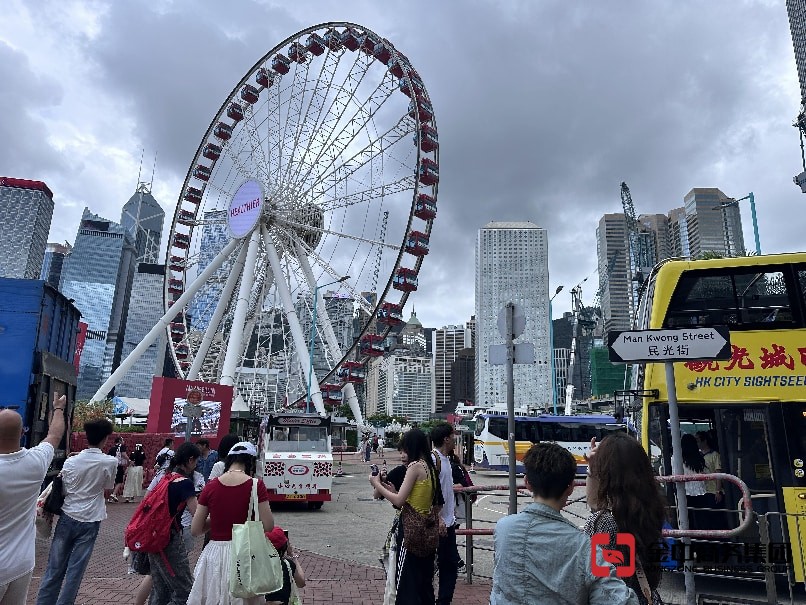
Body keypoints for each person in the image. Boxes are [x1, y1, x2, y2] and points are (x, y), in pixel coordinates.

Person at [490, 442, 638, 604]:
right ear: (571, 487)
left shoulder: (503, 529)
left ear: (527, 483)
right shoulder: (584, 547)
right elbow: (619, 600)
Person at [36, 418, 117, 605]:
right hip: (91, 520)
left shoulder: (71, 461)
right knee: (75, 571)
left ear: (87, 437)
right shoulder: (110, 462)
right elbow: (108, 490)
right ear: (105, 438)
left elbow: (63, 490)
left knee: (54, 568)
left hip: (67, 516)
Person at [584, 433, 667, 605]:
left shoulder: (605, 521)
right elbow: (597, 506)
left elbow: (596, 578)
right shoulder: (649, 509)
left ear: (606, 474)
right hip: (644, 596)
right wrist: (593, 471)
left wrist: (593, 471)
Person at [188, 441, 274, 604]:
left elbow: (195, 529)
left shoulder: (211, 486)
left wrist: (219, 519)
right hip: (245, 554)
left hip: (215, 554)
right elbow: (268, 525)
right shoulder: (256, 485)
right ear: (250, 462)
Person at [0, 393, 66, 605]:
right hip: (21, 564)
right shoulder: (36, 462)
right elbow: (55, 435)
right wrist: (58, 409)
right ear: (22, 433)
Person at [369, 428, 439, 605]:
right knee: (424, 586)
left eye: (405, 449)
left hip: (409, 534)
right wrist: (392, 491)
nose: (403, 454)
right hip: (426, 533)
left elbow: (399, 501)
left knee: (406, 586)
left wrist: (376, 483)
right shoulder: (430, 467)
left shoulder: (414, 467)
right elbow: (424, 502)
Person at [148, 442, 202, 605]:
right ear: (191, 460)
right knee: (184, 591)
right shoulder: (184, 483)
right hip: (170, 539)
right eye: (196, 461)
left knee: (161, 590)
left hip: (154, 537)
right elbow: (197, 515)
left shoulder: (165, 477)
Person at [430, 423, 458, 605]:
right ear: (446, 438)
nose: (455, 438)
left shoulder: (446, 460)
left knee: (449, 565)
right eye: (453, 435)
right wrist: (438, 518)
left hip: (448, 523)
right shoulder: (434, 460)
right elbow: (429, 491)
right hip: (438, 524)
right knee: (442, 566)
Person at [263, 526, 306, 605]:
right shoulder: (288, 564)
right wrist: (292, 555)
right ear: (285, 546)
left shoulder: (258, 565)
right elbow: (301, 583)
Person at [695, 430, 726, 529]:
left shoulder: (714, 455)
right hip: (702, 491)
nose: (696, 443)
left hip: (714, 491)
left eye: (698, 440)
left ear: (704, 441)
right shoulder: (697, 456)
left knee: (717, 519)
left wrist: (718, 491)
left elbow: (718, 474)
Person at [681, 433, 708, 529]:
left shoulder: (677, 459)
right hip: (701, 491)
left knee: (689, 520)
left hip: (685, 492)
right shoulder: (700, 457)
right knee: (702, 519)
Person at [107, 436, 129, 502]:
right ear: (119, 441)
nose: (123, 441)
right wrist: (129, 460)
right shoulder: (121, 447)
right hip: (119, 466)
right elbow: (124, 455)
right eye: (122, 440)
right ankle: (113, 494)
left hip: (112, 466)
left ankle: (110, 497)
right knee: (119, 481)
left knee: (113, 481)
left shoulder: (112, 448)